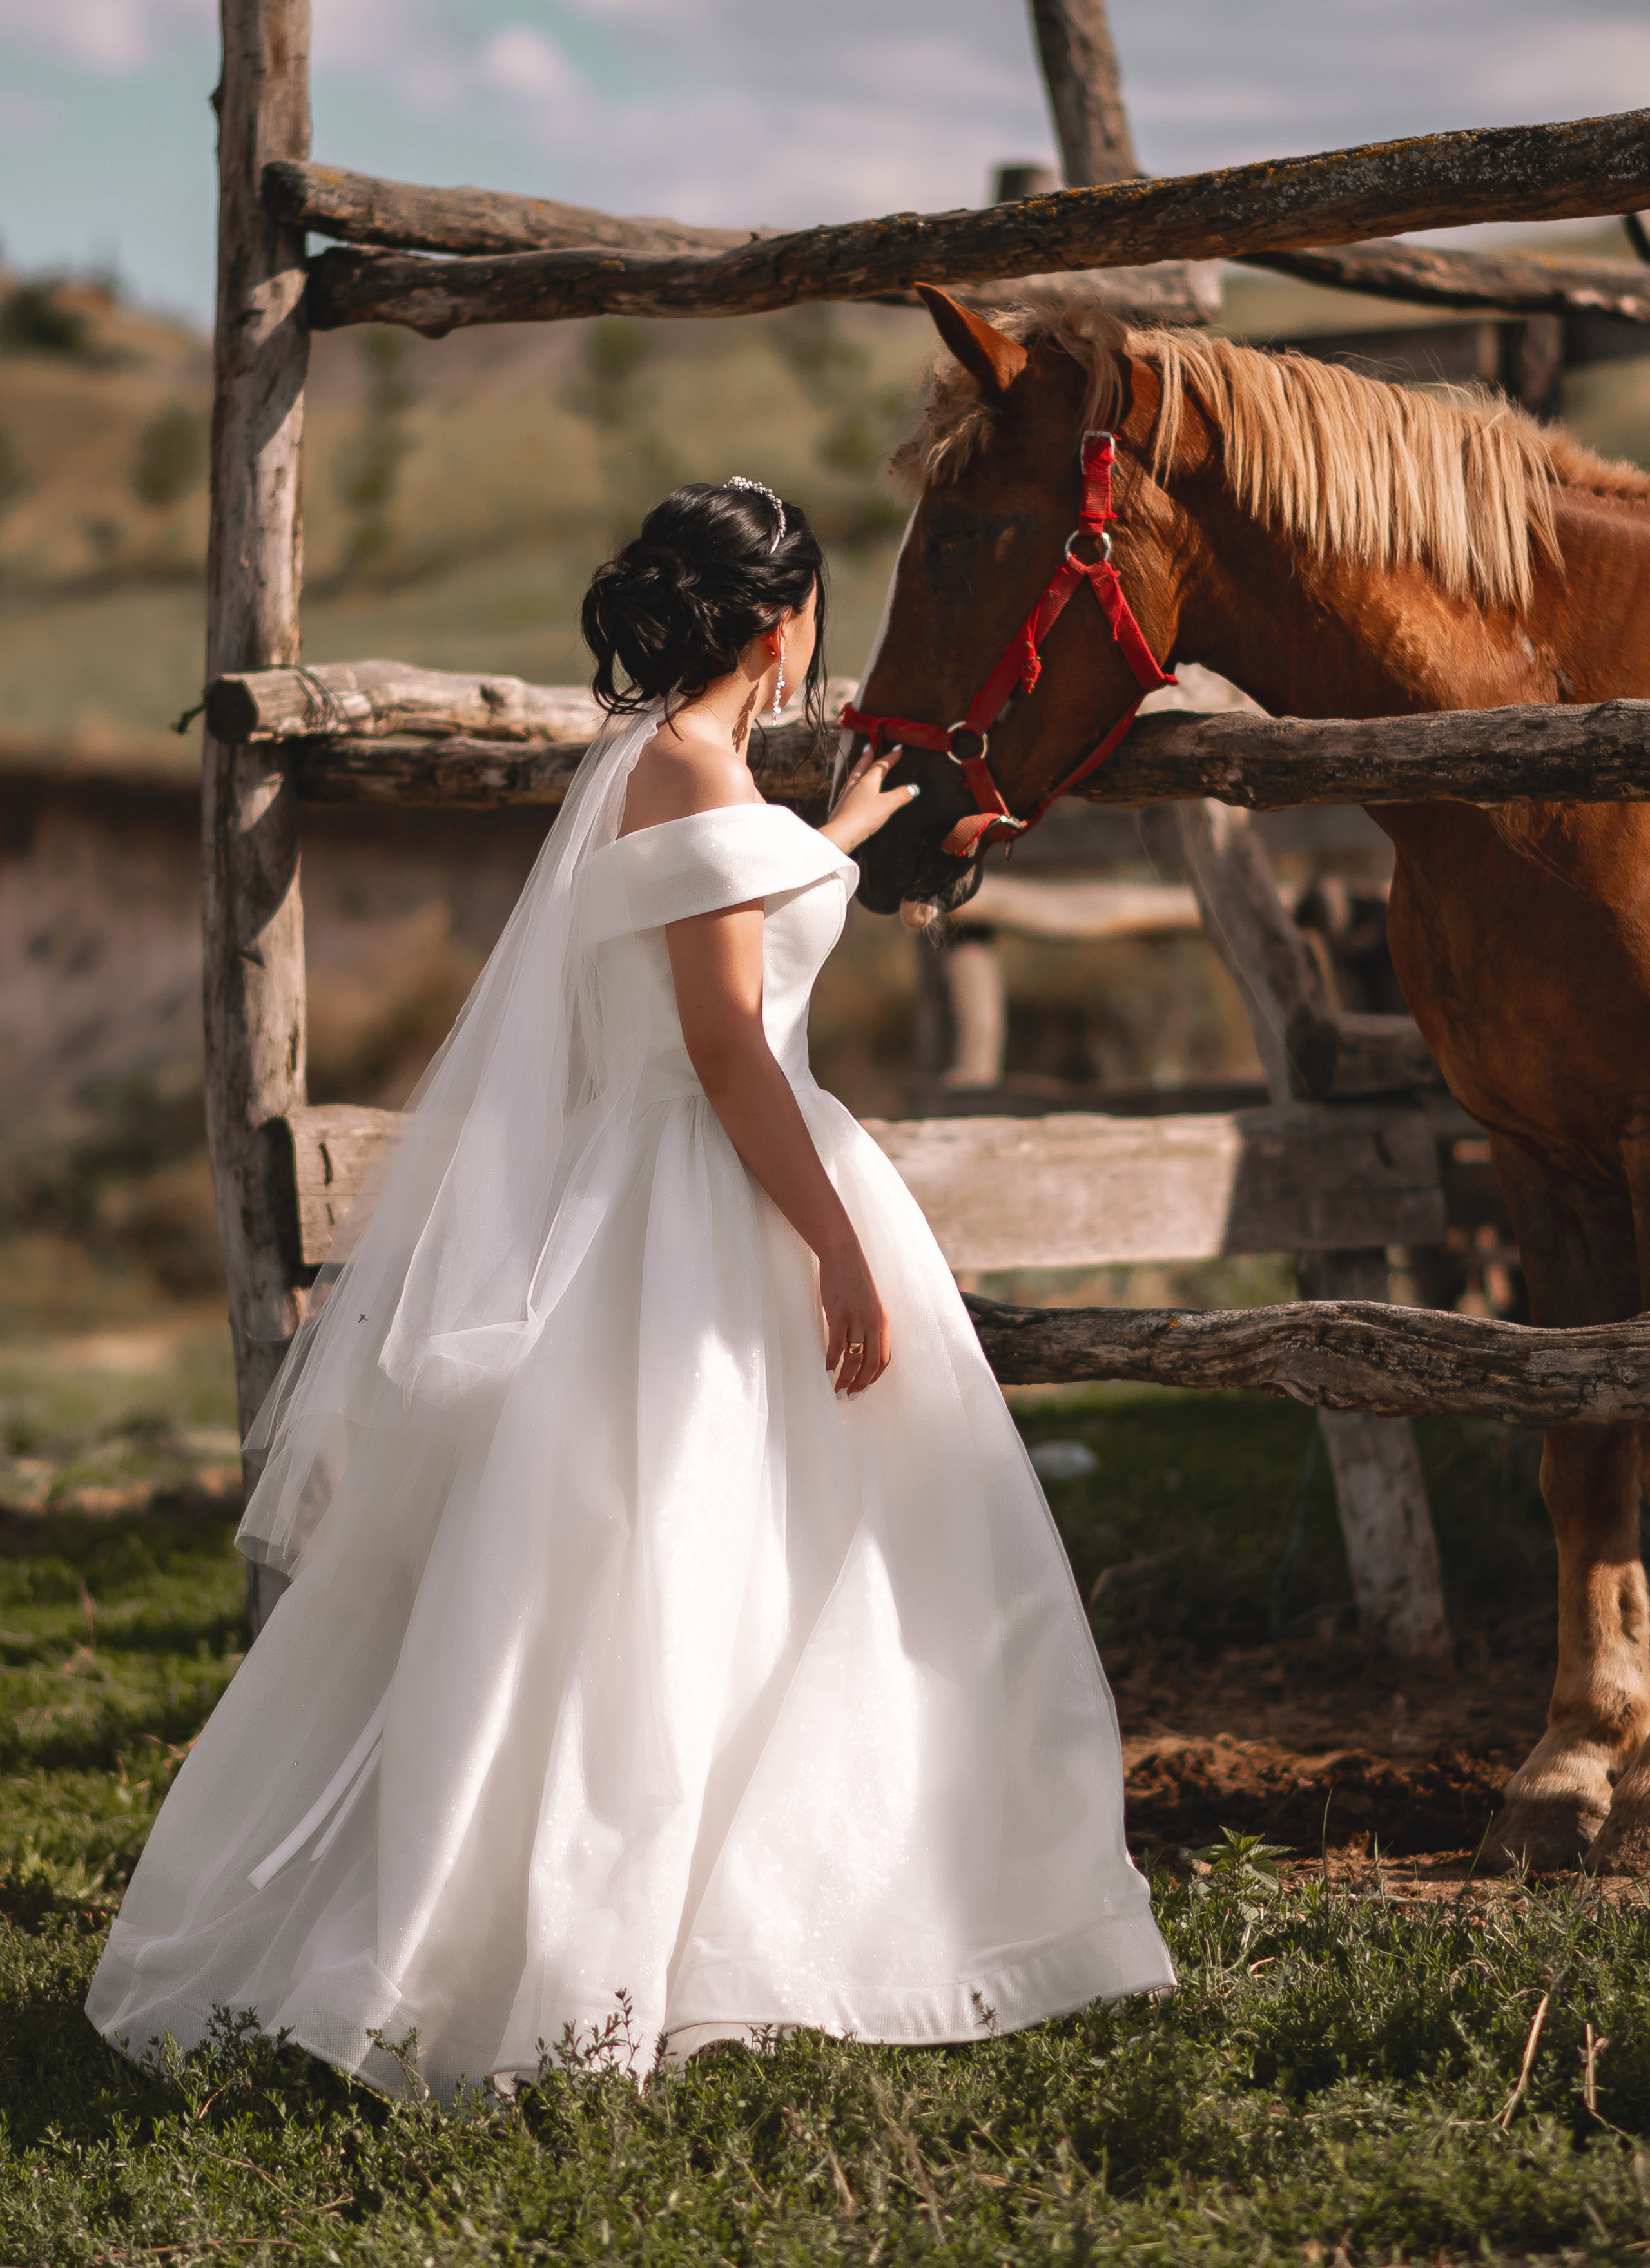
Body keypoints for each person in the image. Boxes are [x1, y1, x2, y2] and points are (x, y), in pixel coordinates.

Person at [86, 479, 1172, 2099]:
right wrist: (840, 1245)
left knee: (738, 1556)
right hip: (711, 1196)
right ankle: (608, 1956)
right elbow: (728, 1050)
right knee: (681, 1554)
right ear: (783, 619)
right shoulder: (683, 771)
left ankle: (750, 1906)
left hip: (669, 1181)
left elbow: (716, 932)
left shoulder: (672, 766)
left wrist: (841, 841)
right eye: (812, 614)